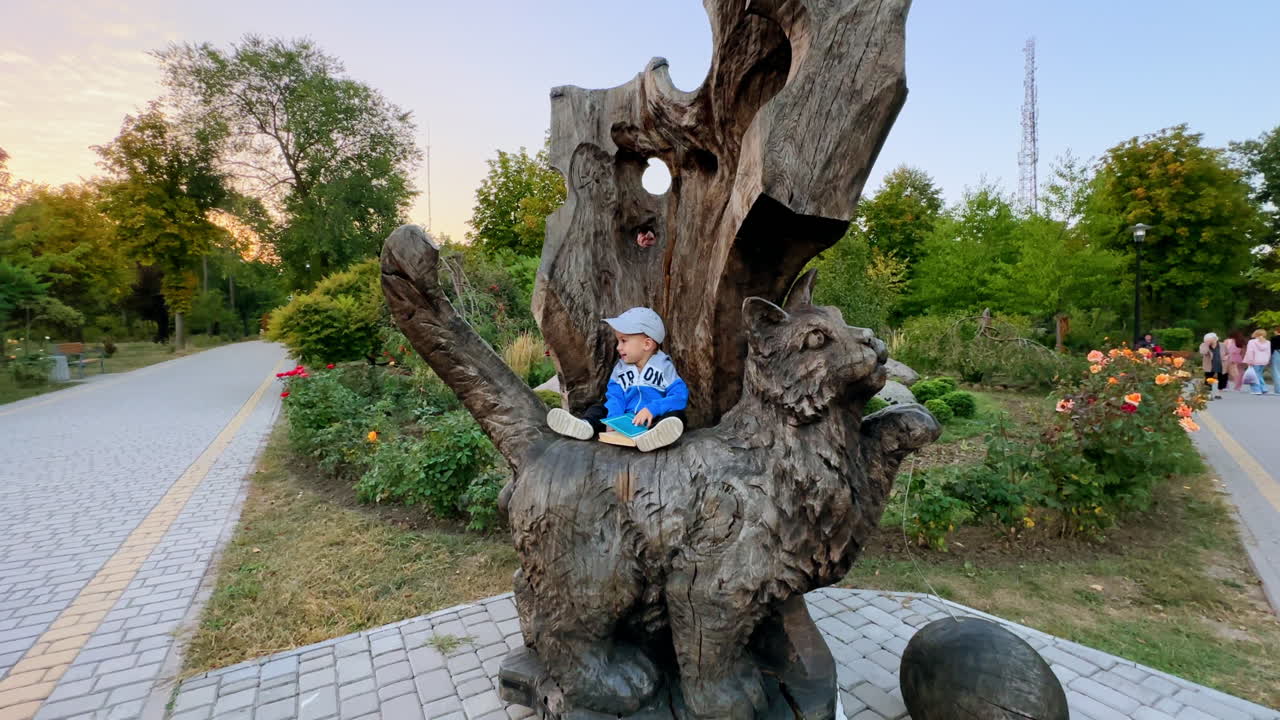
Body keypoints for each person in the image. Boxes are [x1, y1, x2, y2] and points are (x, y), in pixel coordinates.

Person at [547, 307, 688, 452]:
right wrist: (614, 420)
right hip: (624, 420)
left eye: (623, 341)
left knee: (676, 416)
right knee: (598, 408)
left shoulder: (664, 367)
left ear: (647, 344)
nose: (618, 347)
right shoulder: (620, 369)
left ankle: (654, 436)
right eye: (618, 341)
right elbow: (615, 396)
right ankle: (586, 426)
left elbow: (679, 396)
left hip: (651, 420)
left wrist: (652, 409)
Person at [1243, 329, 1273, 396]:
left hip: (1255, 361)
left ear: (1255, 334)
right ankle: (1263, 388)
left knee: (1254, 376)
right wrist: (1267, 360)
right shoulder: (1268, 342)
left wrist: (1249, 361)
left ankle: (1256, 390)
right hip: (1263, 361)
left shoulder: (1252, 342)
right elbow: (1269, 352)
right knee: (1259, 375)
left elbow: (1250, 352)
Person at [1199, 333, 1227, 399]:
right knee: (1208, 379)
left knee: (1221, 379)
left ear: (1214, 339)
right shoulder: (1203, 345)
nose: (1207, 341)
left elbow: (1227, 353)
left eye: (1208, 340)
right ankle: (1208, 394)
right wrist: (1207, 345)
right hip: (1209, 365)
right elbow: (1203, 352)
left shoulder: (1222, 345)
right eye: (1206, 340)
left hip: (1221, 364)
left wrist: (1226, 357)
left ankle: (1218, 393)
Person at [1270, 327, 1280, 395]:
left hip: (1276, 353)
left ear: (1277, 331)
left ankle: (1278, 389)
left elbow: (1271, 348)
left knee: (1276, 371)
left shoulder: (1274, 338)